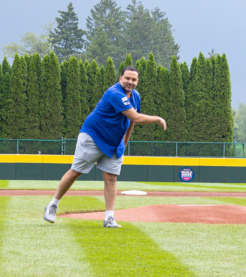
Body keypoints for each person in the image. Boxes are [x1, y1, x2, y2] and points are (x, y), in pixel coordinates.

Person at [43, 65, 166, 228]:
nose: (130, 82)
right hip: (93, 136)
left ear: (137, 81)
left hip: (114, 141)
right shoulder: (115, 93)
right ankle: (53, 204)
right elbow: (135, 117)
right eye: (127, 78)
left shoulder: (135, 96)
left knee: (111, 179)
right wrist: (157, 118)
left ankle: (109, 218)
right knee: (75, 172)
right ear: (120, 78)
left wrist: (125, 143)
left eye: (134, 79)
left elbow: (130, 122)